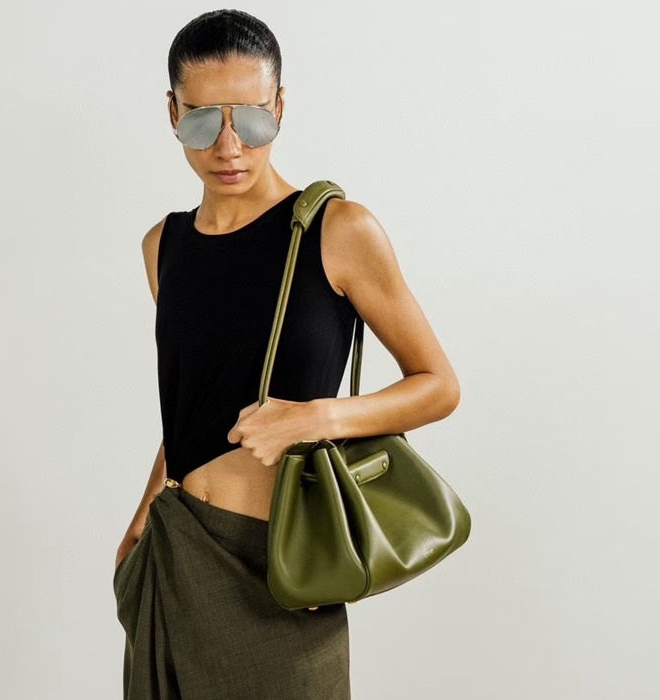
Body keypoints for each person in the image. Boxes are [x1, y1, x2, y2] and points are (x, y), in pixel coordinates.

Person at [112, 8, 461, 700]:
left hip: (282, 569)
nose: (229, 145)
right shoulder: (163, 246)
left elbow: (439, 384)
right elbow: (192, 403)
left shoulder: (338, 229)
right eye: (203, 120)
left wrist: (311, 418)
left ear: (279, 107)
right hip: (174, 554)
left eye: (252, 118)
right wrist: (143, 516)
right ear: (173, 113)